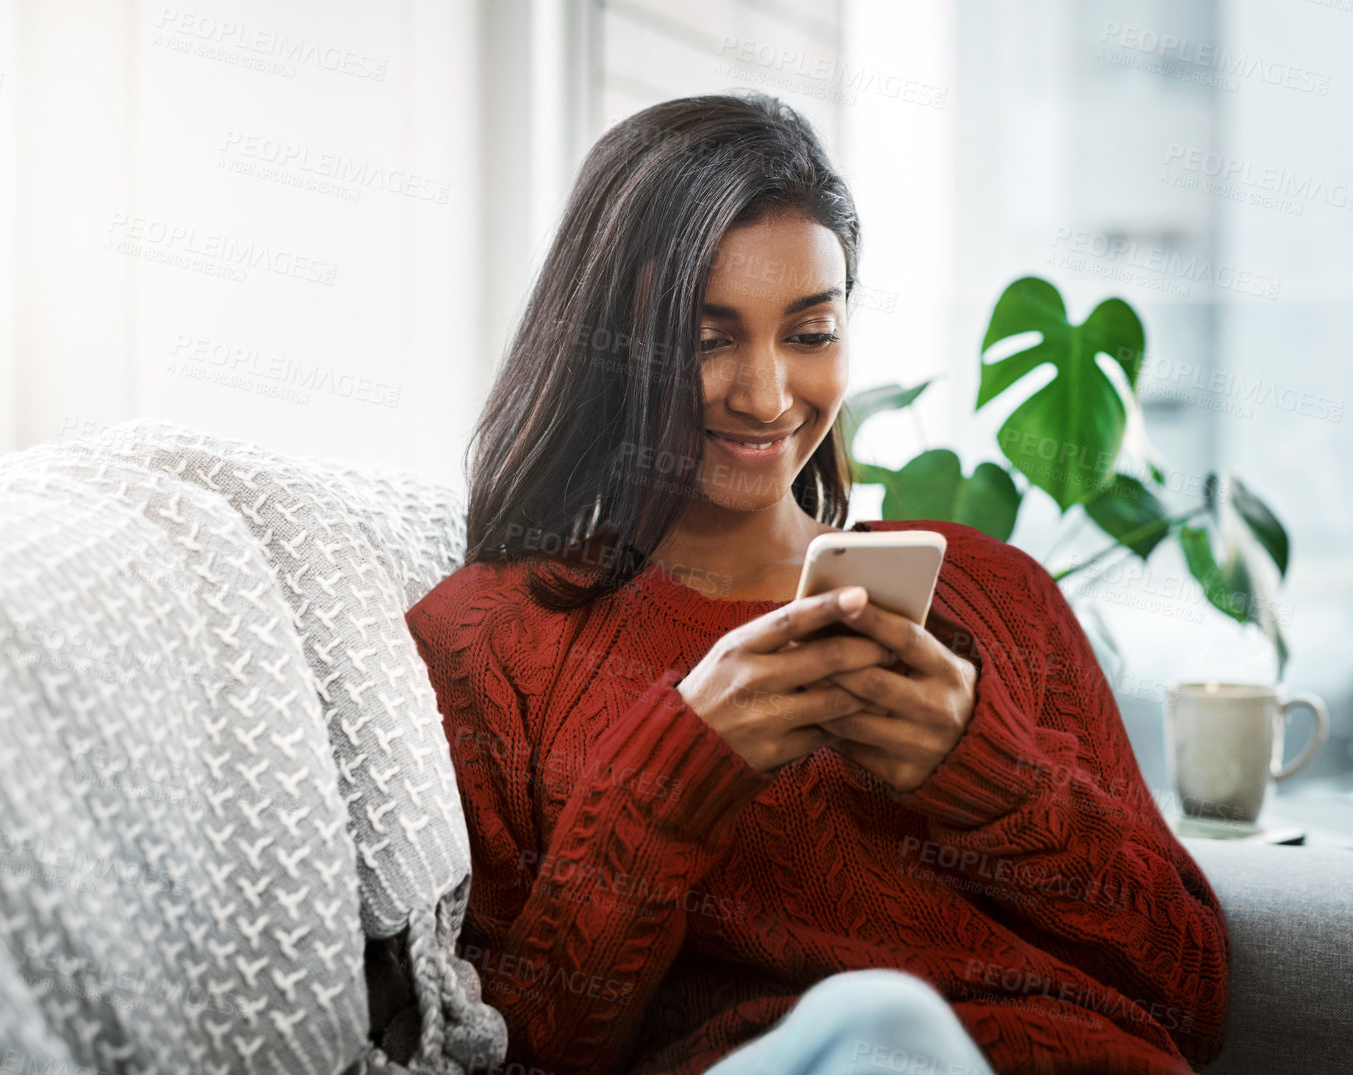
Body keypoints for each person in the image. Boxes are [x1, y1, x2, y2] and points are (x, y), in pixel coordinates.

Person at [404, 91, 1230, 1075]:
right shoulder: (489, 642)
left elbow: (1191, 996)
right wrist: (674, 775)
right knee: (875, 1028)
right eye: (707, 339)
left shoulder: (994, 592)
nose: (765, 395)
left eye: (809, 333)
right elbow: (523, 1049)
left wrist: (981, 771)